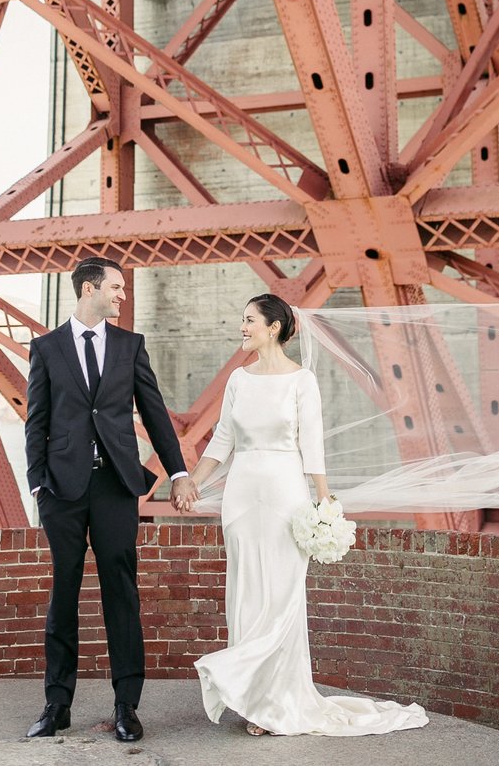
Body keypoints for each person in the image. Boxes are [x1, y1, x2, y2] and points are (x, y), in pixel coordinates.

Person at [184, 293, 428, 737]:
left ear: (273, 327)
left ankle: (276, 701)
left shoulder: (302, 381)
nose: (242, 327)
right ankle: (253, 700)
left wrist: (323, 501)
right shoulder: (238, 379)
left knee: (281, 597)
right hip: (241, 496)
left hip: (284, 493)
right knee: (247, 594)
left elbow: (311, 446)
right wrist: (193, 482)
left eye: (248, 320)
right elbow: (222, 441)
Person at [24, 256, 197, 741]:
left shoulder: (129, 345)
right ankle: (56, 704)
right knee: (64, 594)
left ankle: (127, 706)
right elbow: (36, 419)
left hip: (117, 486)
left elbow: (156, 414)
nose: (123, 295)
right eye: (116, 288)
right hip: (62, 489)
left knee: (122, 594)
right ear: (89, 289)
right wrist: (38, 483)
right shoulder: (47, 348)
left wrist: (179, 471)